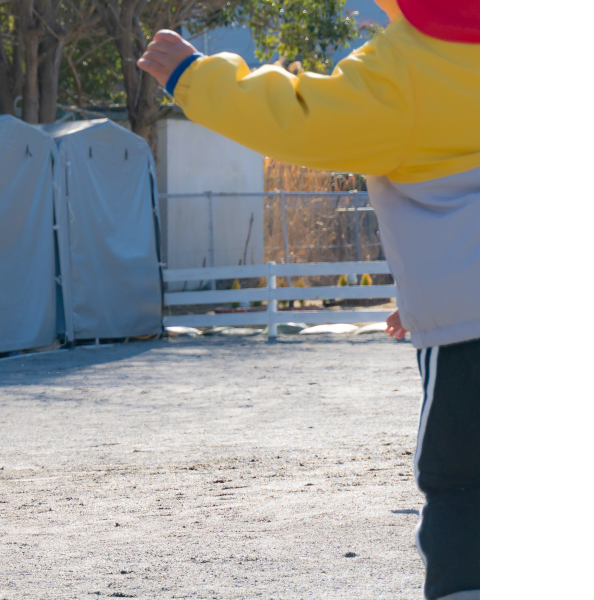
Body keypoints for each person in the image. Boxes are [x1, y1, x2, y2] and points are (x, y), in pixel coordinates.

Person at [134, 1, 477, 598]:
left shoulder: (413, 66)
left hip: (469, 322)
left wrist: (194, 76)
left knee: (462, 482)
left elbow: (301, 118)